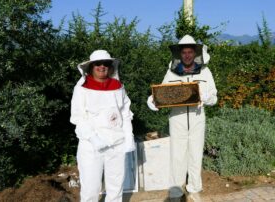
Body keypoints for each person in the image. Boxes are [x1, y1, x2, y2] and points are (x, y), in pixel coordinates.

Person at [147, 35, 217, 200]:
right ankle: (176, 192)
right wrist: (153, 101)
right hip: (177, 118)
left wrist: (206, 96)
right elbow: (162, 93)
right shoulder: (171, 72)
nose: (187, 55)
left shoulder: (205, 72)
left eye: (189, 52)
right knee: (177, 155)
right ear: (179, 54)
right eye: (184, 52)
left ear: (195, 53)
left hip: (197, 117)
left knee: (195, 154)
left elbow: (214, 97)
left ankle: (194, 190)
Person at [70, 49, 135, 202]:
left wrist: (128, 136)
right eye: (97, 64)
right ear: (91, 67)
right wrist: (93, 138)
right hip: (91, 146)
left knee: (116, 187)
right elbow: (78, 117)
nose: (102, 67)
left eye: (105, 64)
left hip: (116, 144)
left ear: (110, 66)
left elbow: (125, 113)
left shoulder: (118, 86)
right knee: (91, 190)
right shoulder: (81, 88)